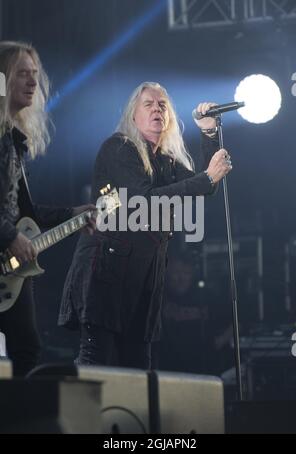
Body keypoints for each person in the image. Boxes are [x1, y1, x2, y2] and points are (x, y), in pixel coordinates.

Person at [58, 81, 232, 369]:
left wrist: (209, 132)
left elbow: (205, 183)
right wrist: (207, 178)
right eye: (148, 104)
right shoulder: (119, 148)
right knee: (98, 365)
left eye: (162, 105)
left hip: (143, 278)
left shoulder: (165, 160)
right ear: (133, 115)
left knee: (138, 371)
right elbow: (143, 200)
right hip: (106, 275)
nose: (157, 110)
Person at [0, 41, 95, 376]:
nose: (32, 82)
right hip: (8, 251)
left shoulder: (13, 139)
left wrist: (75, 213)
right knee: (26, 352)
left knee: (26, 351)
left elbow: (25, 210)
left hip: (12, 268)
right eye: (21, 74)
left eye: (35, 75)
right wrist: (10, 234)